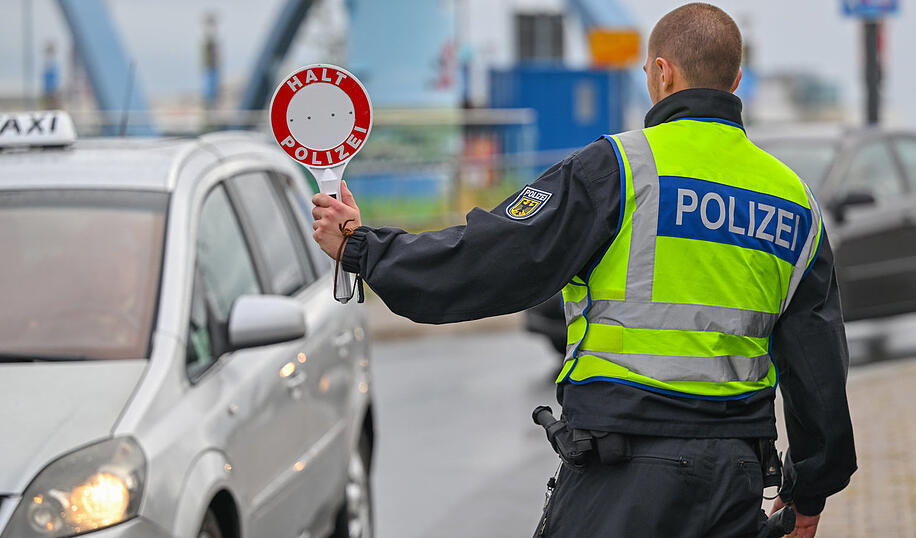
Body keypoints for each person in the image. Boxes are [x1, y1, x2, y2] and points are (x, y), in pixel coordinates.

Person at [311, 3, 856, 537]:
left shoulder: (620, 167)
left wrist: (364, 249)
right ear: (735, 80)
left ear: (662, 73)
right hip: (732, 482)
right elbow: (818, 363)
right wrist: (809, 490)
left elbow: (493, 258)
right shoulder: (795, 203)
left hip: (622, 476)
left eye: (647, 71)